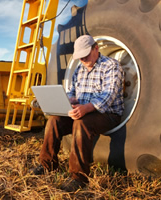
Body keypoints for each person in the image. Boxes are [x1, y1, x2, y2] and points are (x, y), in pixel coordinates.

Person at [30, 35, 125, 192]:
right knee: (54, 120)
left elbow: (108, 97)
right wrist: (70, 100)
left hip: (108, 114)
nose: (83, 59)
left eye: (86, 55)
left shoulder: (111, 66)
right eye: (80, 57)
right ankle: (47, 164)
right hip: (82, 110)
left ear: (96, 49)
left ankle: (78, 177)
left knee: (82, 123)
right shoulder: (79, 69)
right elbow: (72, 90)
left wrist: (86, 108)